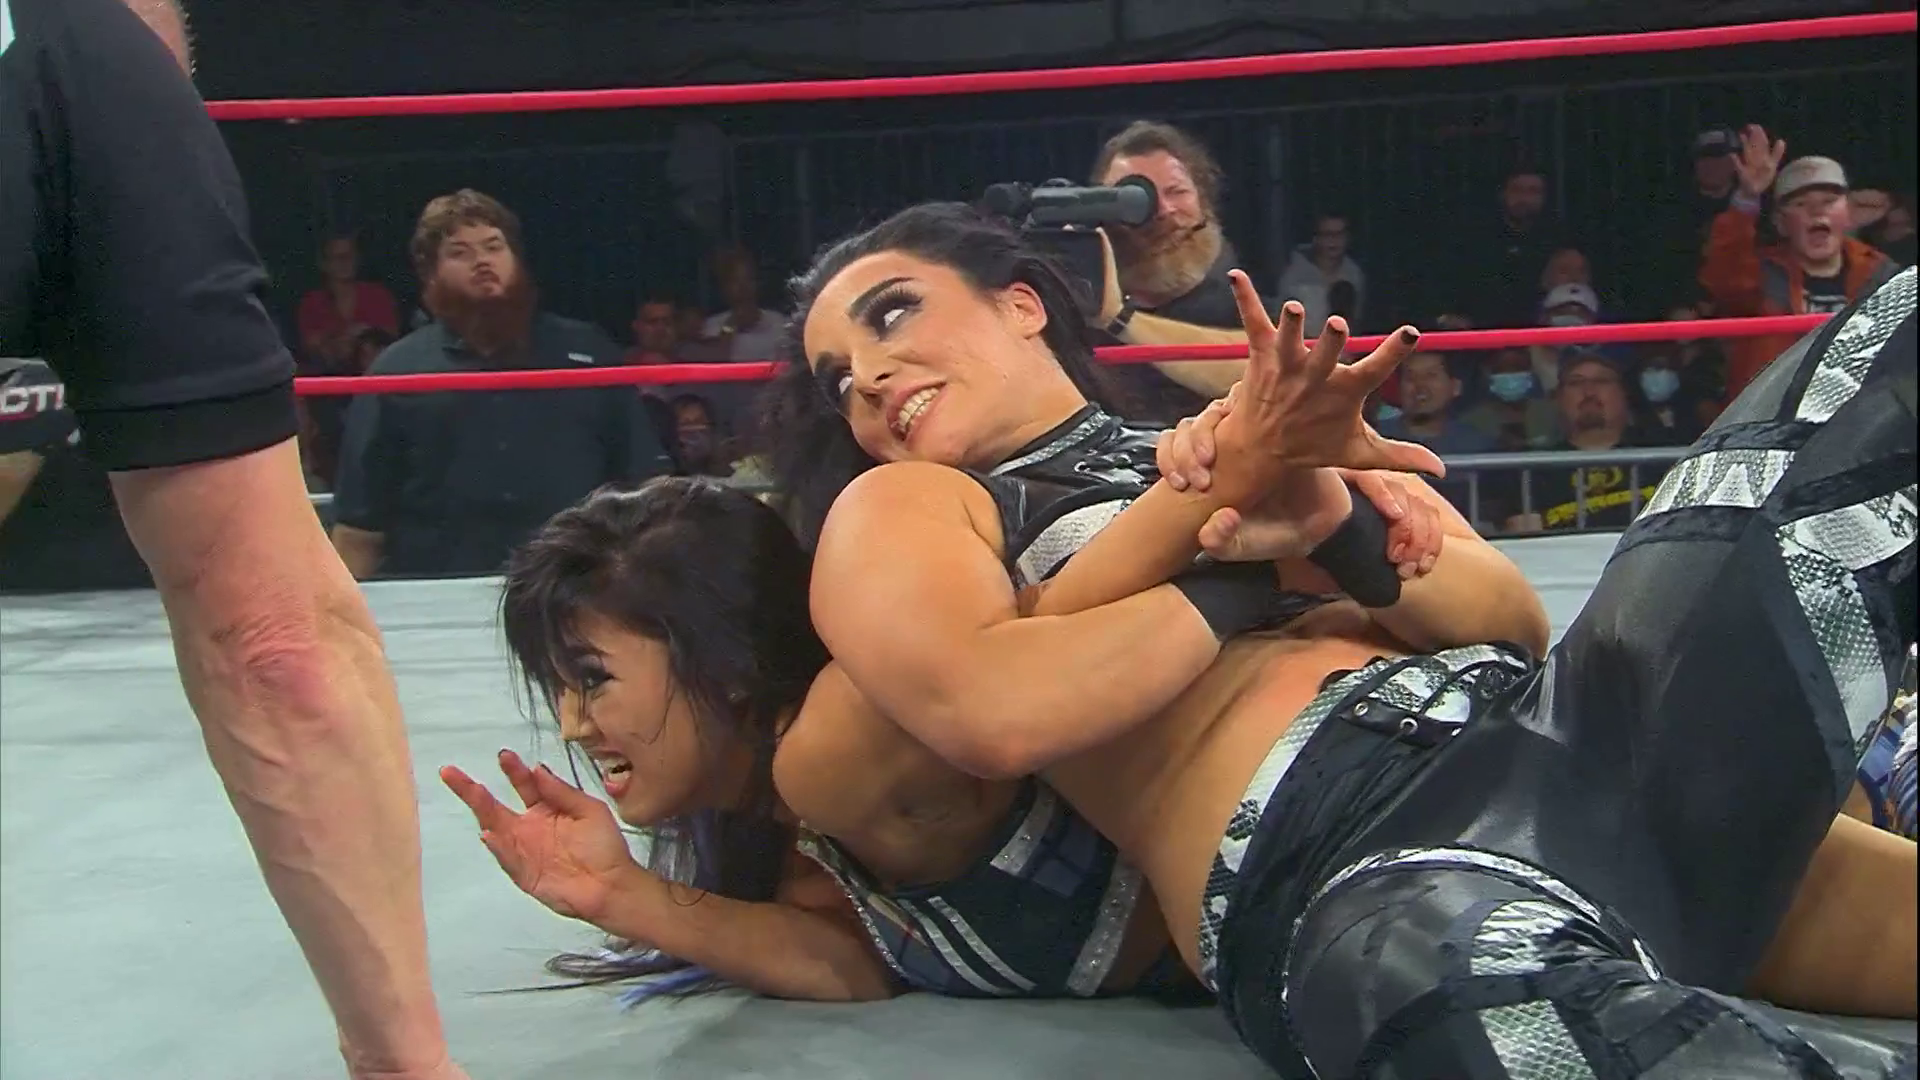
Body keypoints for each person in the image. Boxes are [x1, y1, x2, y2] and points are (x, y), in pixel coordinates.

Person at [776, 204, 1919, 1075]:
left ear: (1023, 304)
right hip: (1354, 861)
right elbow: (992, 709)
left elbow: (1509, 619)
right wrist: (1253, 558)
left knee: (1892, 335)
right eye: (837, 381)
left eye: (892, 314)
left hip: (1580, 736)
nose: (866, 379)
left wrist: (1328, 517)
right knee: (1502, 1025)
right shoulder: (914, 506)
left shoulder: (1231, 430)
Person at [0, 2, 467, 1078]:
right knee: (277, 641)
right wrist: (133, 98)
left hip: (86, 70)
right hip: (75, 68)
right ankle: (406, 1065)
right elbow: (276, 648)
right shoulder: (90, 63)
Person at [329, 189, 674, 579]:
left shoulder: (589, 352)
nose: (482, 261)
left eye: (494, 246)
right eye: (460, 252)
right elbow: (359, 527)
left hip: (574, 586)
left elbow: (648, 489)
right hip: (439, 589)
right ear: (431, 273)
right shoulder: (396, 372)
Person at [1701, 126, 1898, 400]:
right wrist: (1746, 199)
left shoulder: (1882, 274)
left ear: (1849, 214)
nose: (1817, 211)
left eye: (1829, 201)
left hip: (1861, 417)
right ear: (1781, 223)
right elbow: (1723, 276)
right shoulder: (1760, 276)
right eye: (1801, 204)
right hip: (1777, 415)